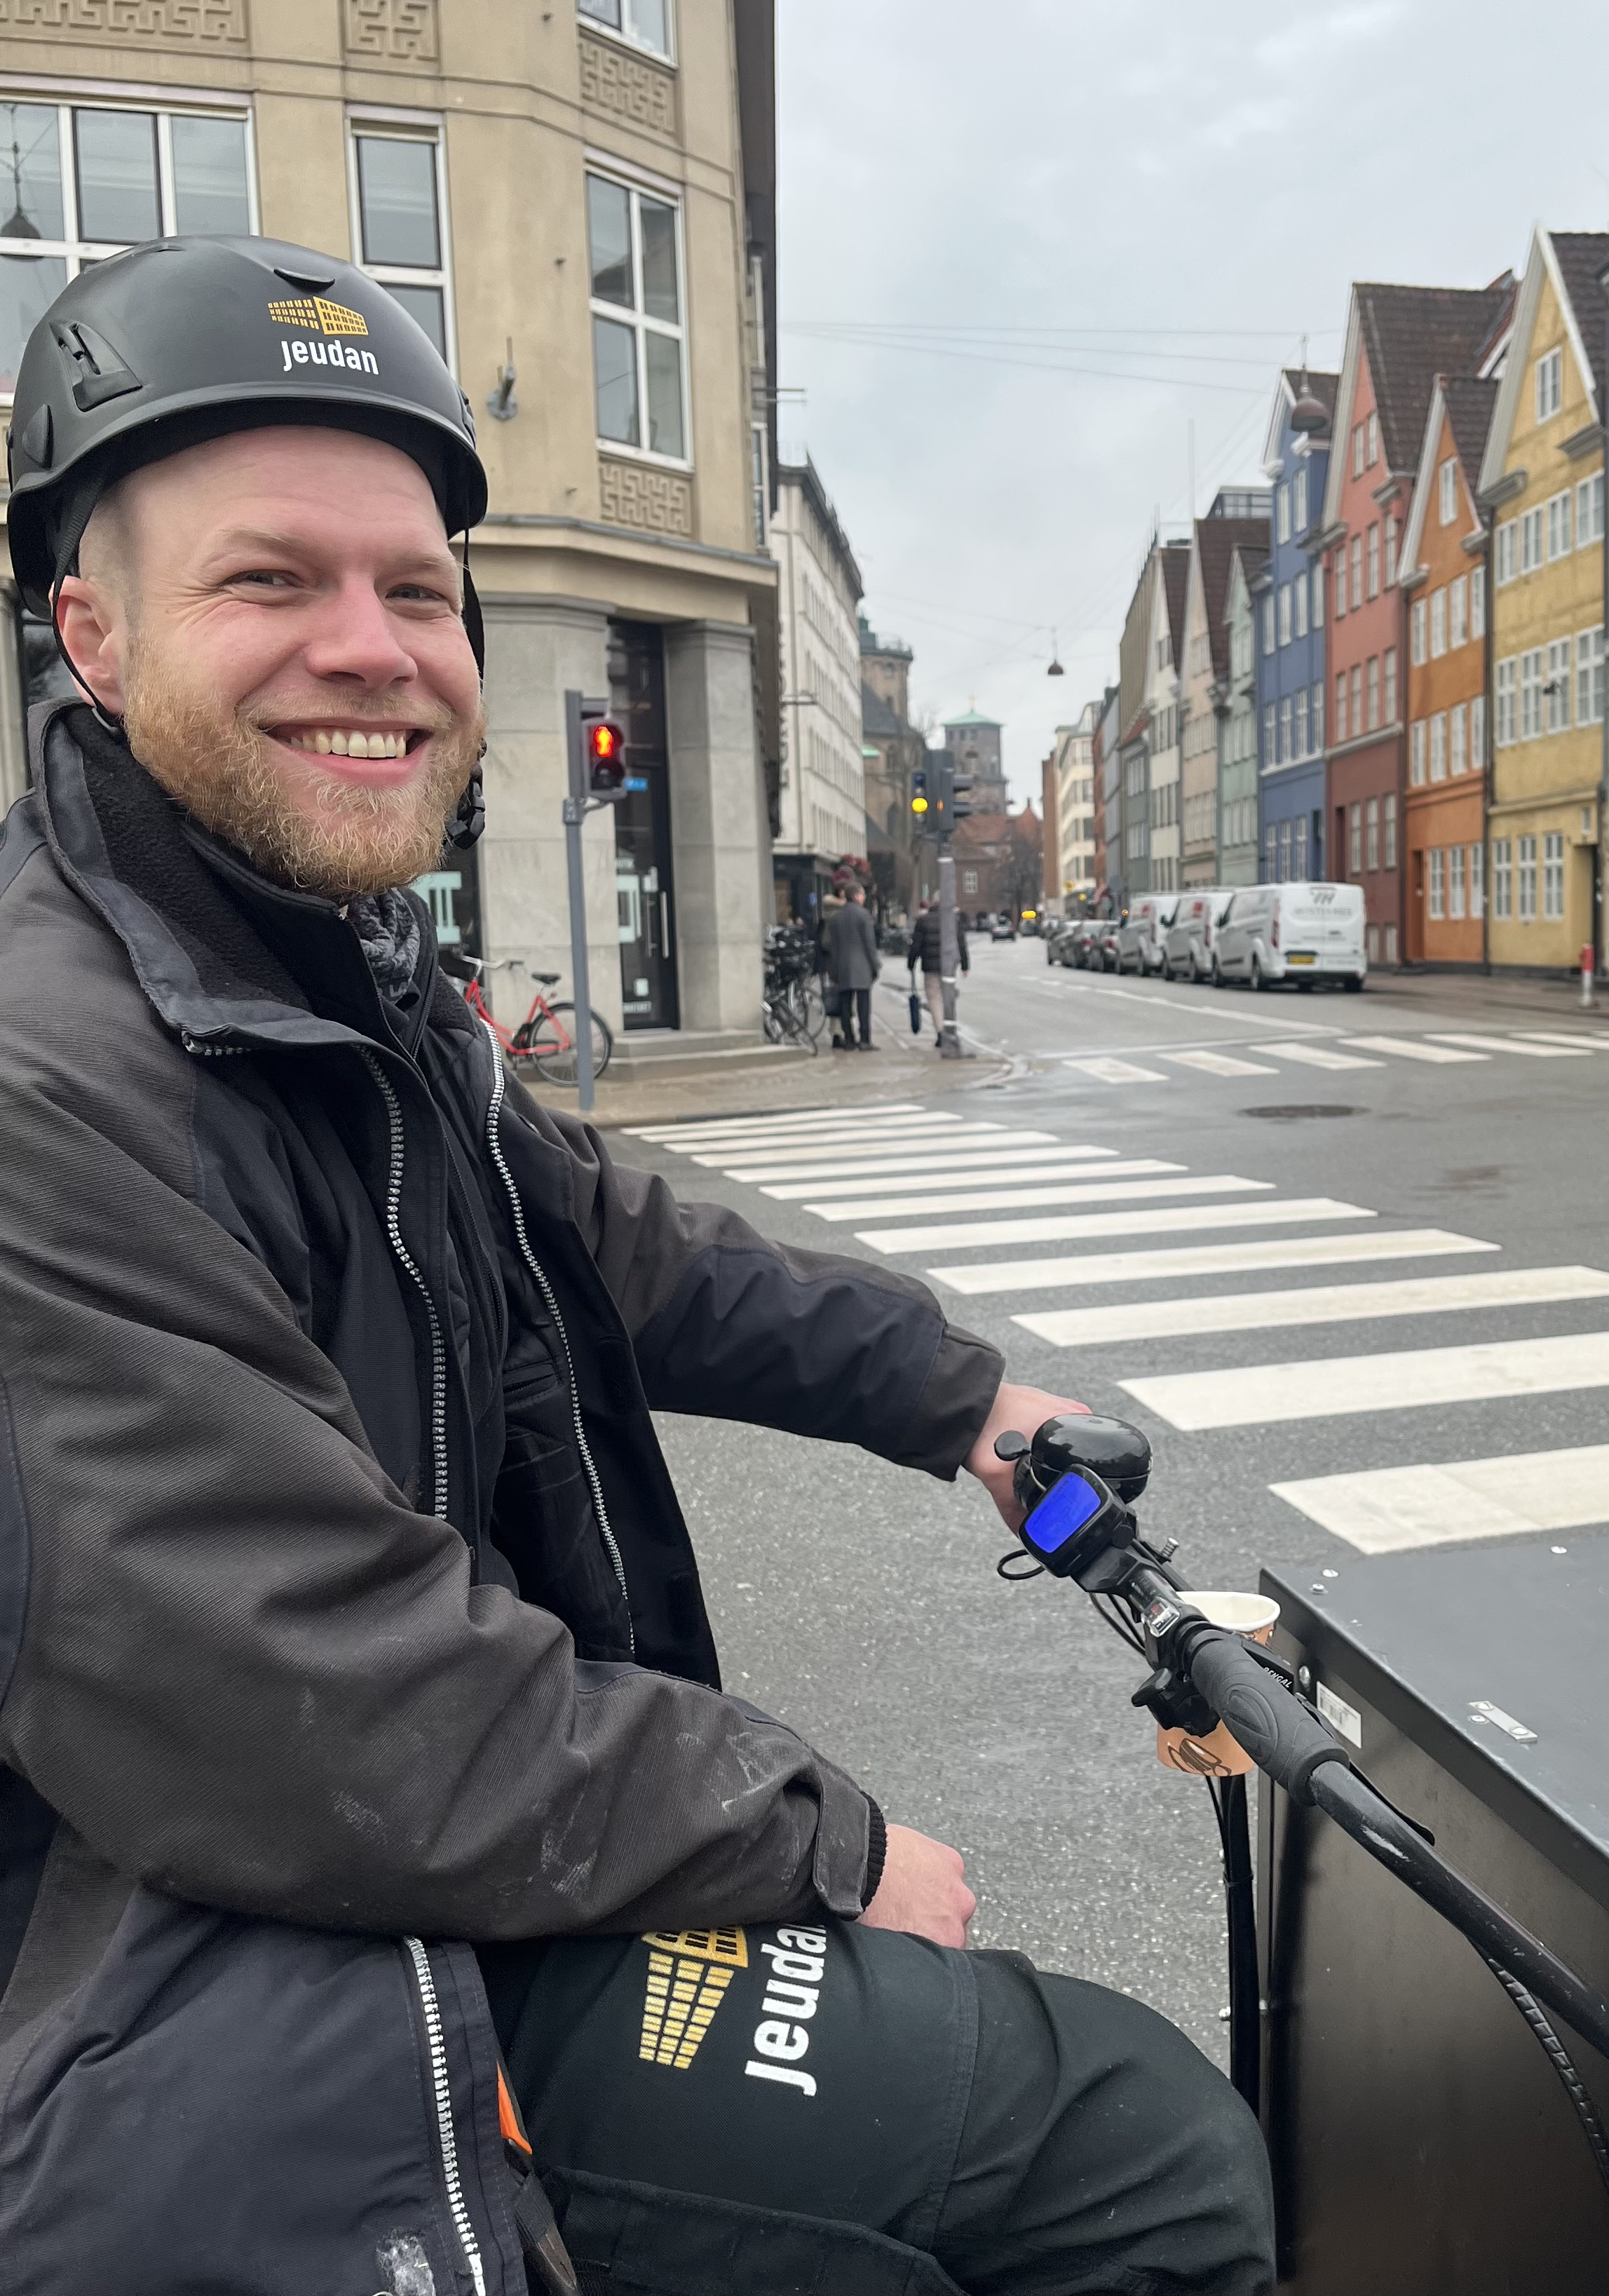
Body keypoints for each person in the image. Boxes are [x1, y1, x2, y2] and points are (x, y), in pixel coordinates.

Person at [0, 236, 1272, 2296]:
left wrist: (958, 1396)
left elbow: (621, 1244)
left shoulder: (329, 978)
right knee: (1134, 2161)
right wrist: (823, 1836)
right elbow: (321, 1690)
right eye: (271, 580)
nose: (370, 646)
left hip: (387, 1858)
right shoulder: (51, 1081)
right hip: (177, 1980)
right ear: (94, 632)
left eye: (416, 590)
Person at [823, 877, 879, 1051]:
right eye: (862, 894)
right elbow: (869, 944)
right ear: (857, 896)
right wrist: (875, 966)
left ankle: (849, 1038)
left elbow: (830, 945)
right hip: (862, 966)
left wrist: (833, 969)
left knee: (845, 1005)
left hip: (841, 965)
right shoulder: (864, 915)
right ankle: (865, 1040)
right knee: (863, 1006)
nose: (864, 898)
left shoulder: (836, 917)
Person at [910, 892, 971, 1046]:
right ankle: (950, 1028)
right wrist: (965, 965)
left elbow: (916, 945)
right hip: (949, 966)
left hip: (930, 966)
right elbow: (961, 944)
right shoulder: (953, 920)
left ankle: (940, 1031)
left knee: (934, 998)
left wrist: (911, 963)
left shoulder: (923, 921)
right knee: (948, 997)